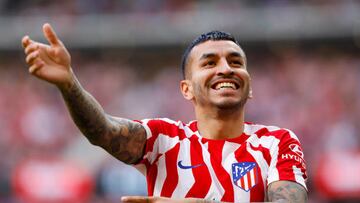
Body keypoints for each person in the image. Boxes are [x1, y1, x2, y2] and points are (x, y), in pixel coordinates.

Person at [22, 23, 308, 203]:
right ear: (187, 90)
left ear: (249, 86)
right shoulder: (164, 139)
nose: (225, 68)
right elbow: (103, 130)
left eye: (235, 61)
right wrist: (69, 83)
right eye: (209, 63)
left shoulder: (277, 143)